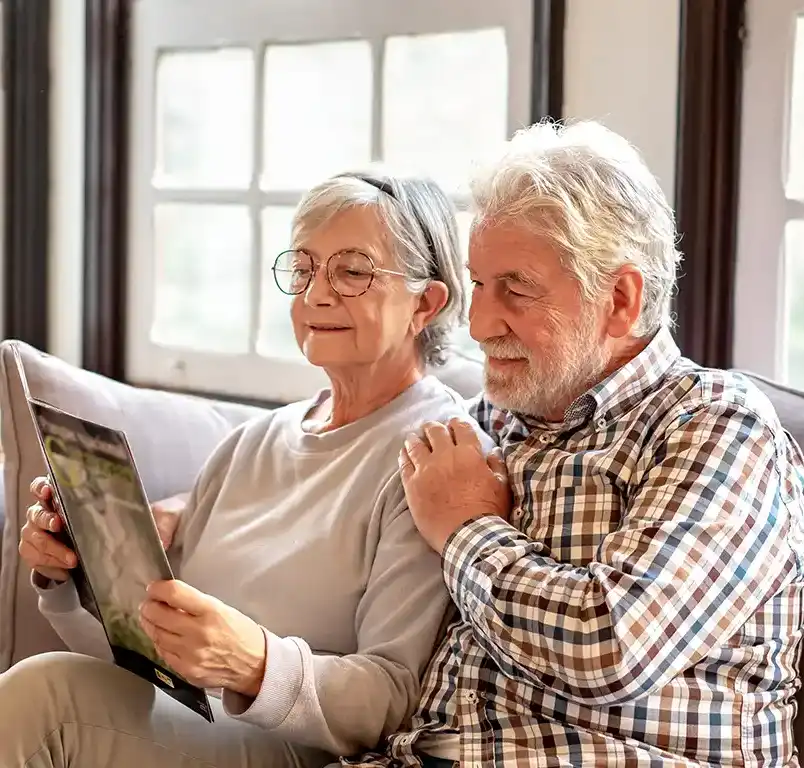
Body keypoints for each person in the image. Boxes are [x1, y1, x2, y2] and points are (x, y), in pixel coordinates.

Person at [343, 121, 804, 767]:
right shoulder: (488, 420)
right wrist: (197, 516)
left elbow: (613, 647)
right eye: (479, 284)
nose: (480, 324)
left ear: (619, 300)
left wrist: (466, 528)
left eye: (516, 288)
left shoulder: (716, 428)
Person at [0, 170, 499, 768]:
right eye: (305, 268)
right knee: (47, 688)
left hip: (292, 750)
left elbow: (391, 699)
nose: (316, 295)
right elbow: (142, 664)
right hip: (181, 728)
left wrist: (256, 663)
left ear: (427, 302)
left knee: (44, 693)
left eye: (352, 271)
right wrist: (71, 574)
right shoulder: (252, 443)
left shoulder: (433, 457)